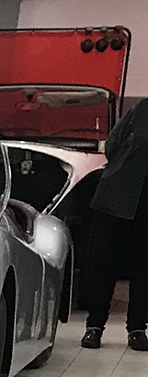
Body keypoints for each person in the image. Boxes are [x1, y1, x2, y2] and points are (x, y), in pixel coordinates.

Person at [80, 98, 148, 349]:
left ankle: (137, 329)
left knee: (144, 268)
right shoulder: (142, 110)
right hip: (116, 196)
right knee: (103, 265)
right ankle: (94, 326)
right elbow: (112, 144)